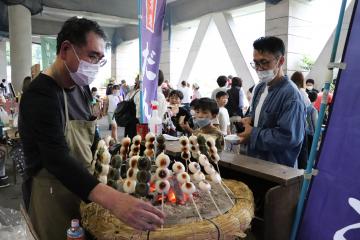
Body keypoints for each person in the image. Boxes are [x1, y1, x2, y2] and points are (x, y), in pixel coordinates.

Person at [19, 17, 164, 240]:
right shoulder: (40, 95)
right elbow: (56, 159)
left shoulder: (81, 87)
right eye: (92, 56)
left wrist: (110, 155)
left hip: (84, 185)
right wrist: (114, 200)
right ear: (66, 49)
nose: (95, 65)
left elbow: (91, 134)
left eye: (100, 59)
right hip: (51, 193)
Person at [239, 36, 305, 167]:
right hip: (255, 161)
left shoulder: (291, 95)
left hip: (277, 168)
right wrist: (250, 119)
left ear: (280, 61)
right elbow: (257, 115)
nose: (259, 68)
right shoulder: (260, 87)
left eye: (264, 62)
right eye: (256, 63)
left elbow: (288, 137)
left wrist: (253, 133)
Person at [291, 71, 311, 169]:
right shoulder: (303, 93)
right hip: (301, 125)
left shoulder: (289, 90)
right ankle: (302, 173)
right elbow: (308, 105)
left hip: (290, 124)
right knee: (303, 151)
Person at [306, 91, 318, 155]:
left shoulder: (305, 107)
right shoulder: (313, 110)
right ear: (316, 98)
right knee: (310, 152)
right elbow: (315, 123)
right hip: (311, 133)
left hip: (305, 132)